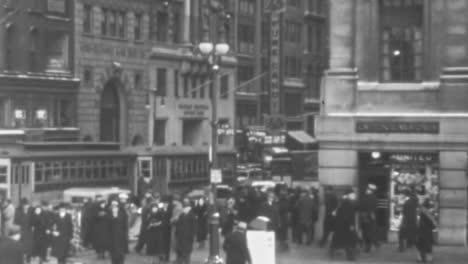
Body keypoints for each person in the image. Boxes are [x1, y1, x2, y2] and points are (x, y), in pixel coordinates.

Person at [329, 189, 358, 261]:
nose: (354, 196)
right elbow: (348, 216)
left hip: (341, 226)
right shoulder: (348, 203)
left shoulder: (344, 202)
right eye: (353, 195)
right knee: (349, 241)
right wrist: (351, 225)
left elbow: (336, 214)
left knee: (339, 241)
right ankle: (350, 257)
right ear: (349, 195)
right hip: (346, 226)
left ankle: (332, 252)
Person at [175, 197, 196, 264]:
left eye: (186, 202)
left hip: (187, 236)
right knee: (182, 252)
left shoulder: (191, 215)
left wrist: (193, 236)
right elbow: (178, 225)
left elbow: (193, 227)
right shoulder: (182, 214)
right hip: (182, 236)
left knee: (186, 253)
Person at [359, 183, 380, 252]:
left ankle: (369, 246)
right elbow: (375, 207)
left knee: (366, 232)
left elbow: (360, 206)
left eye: (367, 189)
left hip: (364, 216)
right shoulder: (374, 197)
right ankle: (375, 243)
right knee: (370, 231)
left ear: (369, 189)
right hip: (371, 216)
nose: (366, 190)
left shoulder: (364, 197)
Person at [108, 199, 129, 264]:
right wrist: (113, 217)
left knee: (120, 250)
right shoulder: (109, 212)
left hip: (121, 234)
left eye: (115, 205)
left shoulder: (122, 212)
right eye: (112, 205)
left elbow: (125, 223)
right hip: (112, 234)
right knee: (113, 250)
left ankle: (120, 261)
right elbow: (107, 223)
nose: (114, 206)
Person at [416, 199, 437, 263]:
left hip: (420, 232)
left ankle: (419, 259)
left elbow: (418, 223)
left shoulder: (421, 212)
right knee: (428, 247)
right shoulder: (428, 214)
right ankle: (428, 259)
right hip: (427, 233)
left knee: (420, 247)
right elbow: (433, 225)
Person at [14, 198, 33, 263]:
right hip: (21, 230)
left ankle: (28, 258)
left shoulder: (31, 209)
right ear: (22, 205)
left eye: (26, 205)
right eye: (24, 205)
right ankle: (21, 258)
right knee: (21, 245)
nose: (25, 206)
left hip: (30, 231)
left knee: (29, 245)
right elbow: (16, 221)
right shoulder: (18, 210)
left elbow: (35, 220)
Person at [399, 188, 418, 252]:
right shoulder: (413, 200)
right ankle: (410, 244)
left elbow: (405, 212)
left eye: (402, 194)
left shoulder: (407, 202)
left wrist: (403, 222)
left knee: (401, 234)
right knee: (411, 233)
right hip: (413, 219)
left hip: (407, 219)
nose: (401, 195)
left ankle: (401, 248)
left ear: (405, 194)